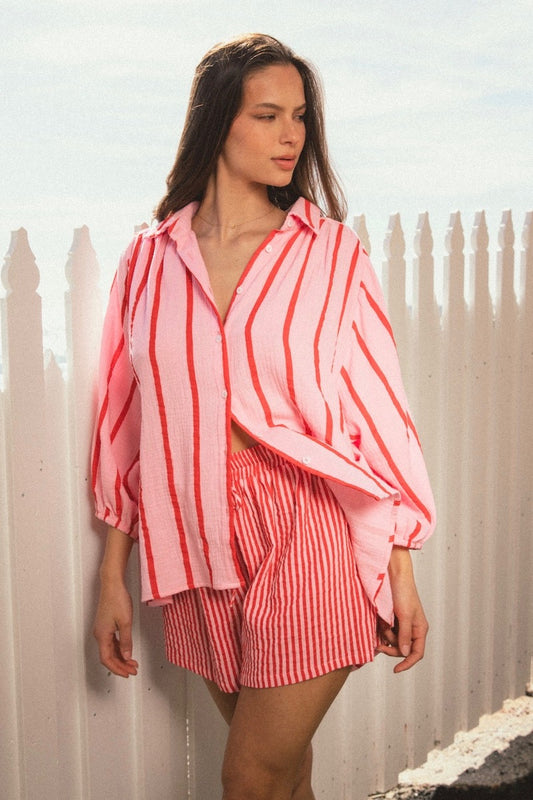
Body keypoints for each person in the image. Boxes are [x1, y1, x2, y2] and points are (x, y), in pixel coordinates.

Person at [92, 33, 436, 800]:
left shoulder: (330, 254)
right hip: (192, 539)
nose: (291, 136)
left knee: (248, 778)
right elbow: (125, 424)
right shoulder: (147, 261)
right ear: (217, 122)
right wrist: (112, 575)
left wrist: (400, 570)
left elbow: (378, 411)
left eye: (300, 117)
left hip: (304, 524)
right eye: (268, 115)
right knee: (285, 774)